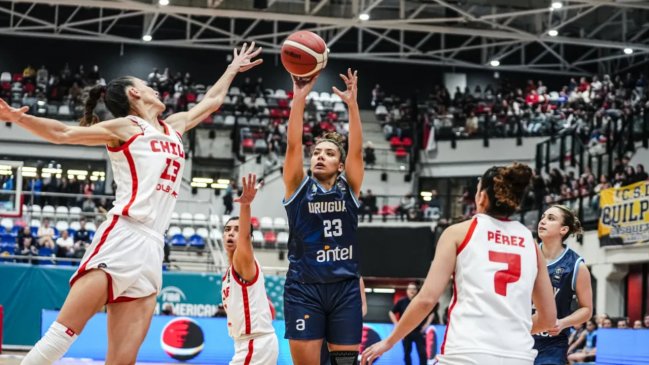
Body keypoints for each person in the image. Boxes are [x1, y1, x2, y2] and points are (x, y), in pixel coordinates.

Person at [1, 42, 263, 365]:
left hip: (154, 247)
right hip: (122, 235)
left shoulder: (174, 127)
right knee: (62, 335)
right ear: (134, 95)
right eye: (148, 86)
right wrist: (18, 119)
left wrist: (232, 69)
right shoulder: (127, 127)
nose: (155, 90)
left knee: (122, 361)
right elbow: (64, 134)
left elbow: (211, 101)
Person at [361, 162, 557, 365]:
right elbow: (549, 318)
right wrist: (509, 328)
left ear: (481, 197)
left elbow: (427, 300)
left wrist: (389, 341)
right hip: (519, 357)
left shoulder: (459, 232)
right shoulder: (531, 243)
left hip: (466, 353)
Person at [282, 68, 365, 365]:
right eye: (316, 152)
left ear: (340, 166)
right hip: (304, 288)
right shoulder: (297, 187)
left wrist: (352, 105)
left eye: (329, 153)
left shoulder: (350, 188)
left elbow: (356, 150)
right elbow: (293, 145)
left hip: (344, 289)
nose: (319, 155)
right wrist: (299, 96)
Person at [221, 173, 278, 364]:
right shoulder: (230, 271)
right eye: (227, 230)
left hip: (255, 344)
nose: (231, 233)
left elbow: (244, 239)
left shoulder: (244, 261)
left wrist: (245, 205)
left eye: (237, 229)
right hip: (251, 343)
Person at [533, 205, 593, 365]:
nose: (543, 221)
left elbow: (587, 310)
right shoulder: (526, 254)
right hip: (521, 337)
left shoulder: (576, 265)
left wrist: (563, 322)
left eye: (551, 218)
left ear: (563, 229)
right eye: (543, 217)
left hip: (551, 343)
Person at [389, 283, 432, 365]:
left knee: (422, 353)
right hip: (405, 332)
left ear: (417, 291)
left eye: (414, 289)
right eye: (410, 289)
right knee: (406, 353)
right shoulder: (402, 301)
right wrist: (396, 324)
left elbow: (431, 313)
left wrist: (426, 325)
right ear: (407, 291)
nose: (412, 291)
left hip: (418, 331)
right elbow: (391, 312)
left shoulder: (420, 301)